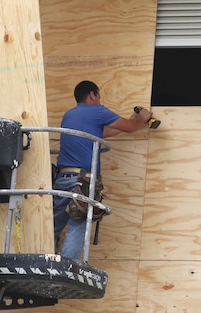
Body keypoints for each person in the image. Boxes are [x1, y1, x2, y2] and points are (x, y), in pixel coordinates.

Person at [53, 80, 154, 260]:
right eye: (99, 96)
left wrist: (131, 121)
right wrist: (142, 118)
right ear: (92, 95)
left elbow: (104, 132)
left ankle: (47, 263)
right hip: (81, 180)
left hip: (62, 179)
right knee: (78, 224)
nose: (100, 101)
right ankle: (67, 268)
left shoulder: (69, 116)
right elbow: (130, 128)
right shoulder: (97, 111)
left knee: (54, 225)